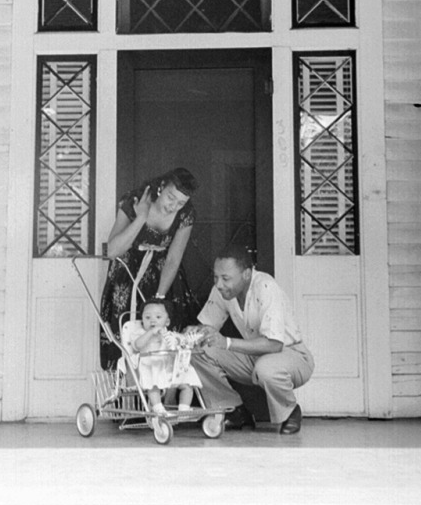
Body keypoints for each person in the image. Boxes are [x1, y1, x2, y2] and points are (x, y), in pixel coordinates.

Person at [190, 244, 315, 435]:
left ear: (247, 274)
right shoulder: (222, 291)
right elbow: (207, 327)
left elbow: (274, 344)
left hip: (291, 355)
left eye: (225, 278)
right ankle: (234, 411)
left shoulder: (266, 286)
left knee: (266, 368)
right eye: (216, 277)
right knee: (196, 351)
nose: (219, 284)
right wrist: (191, 334)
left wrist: (227, 342)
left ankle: (290, 411)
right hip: (253, 357)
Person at [100, 167, 199, 369]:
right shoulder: (134, 201)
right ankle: (124, 394)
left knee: (164, 336)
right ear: (161, 187)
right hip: (128, 274)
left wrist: (159, 299)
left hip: (163, 277)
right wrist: (141, 218)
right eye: (171, 198)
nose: (174, 206)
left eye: (181, 203)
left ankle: (161, 396)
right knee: (126, 333)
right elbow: (110, 251)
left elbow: (173, 258)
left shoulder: (186, 214)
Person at [132, 298, 202, 415]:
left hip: (169, 367)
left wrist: (185, 342)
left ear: (167, 322)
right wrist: (150, 333)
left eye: (158, 317)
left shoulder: (170, 335)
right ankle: (158, 407)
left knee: (187, 384)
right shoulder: (140, 333)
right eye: (147, 318)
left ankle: (184, 409)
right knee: (152, 386)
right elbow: (137, 346)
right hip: (151, 366)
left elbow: (181, 343)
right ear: (142, 320)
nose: (152, 321)